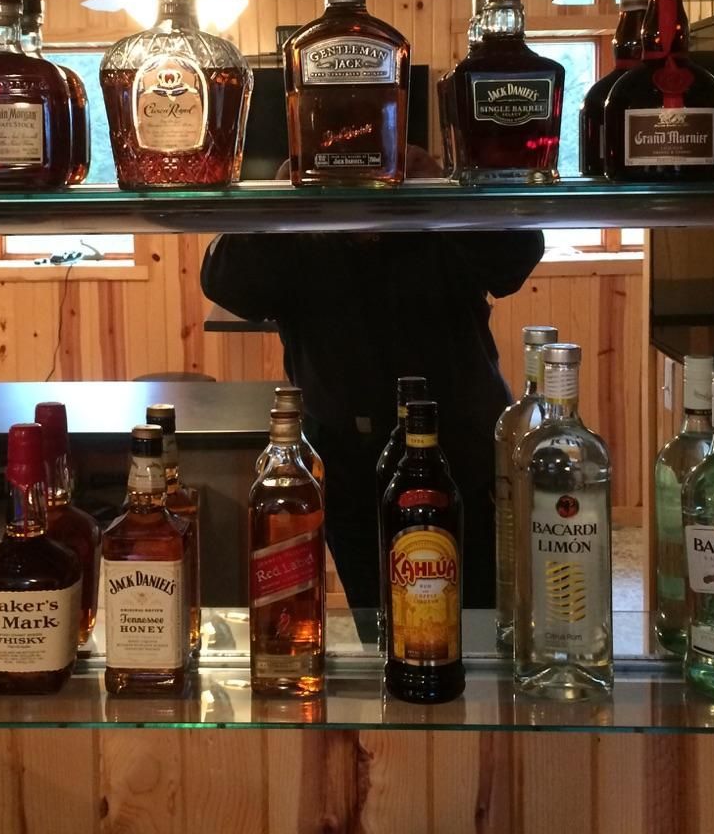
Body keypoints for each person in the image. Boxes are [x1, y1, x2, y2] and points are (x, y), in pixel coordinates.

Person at [201, 146, 544, 610]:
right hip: (347, 461)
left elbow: (516, 257)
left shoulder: (433, 216)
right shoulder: (301, 234)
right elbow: (225, 282)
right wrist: (282, 201)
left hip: (463, 453)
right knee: (375, 612)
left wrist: (443, 189)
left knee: (476, 611)